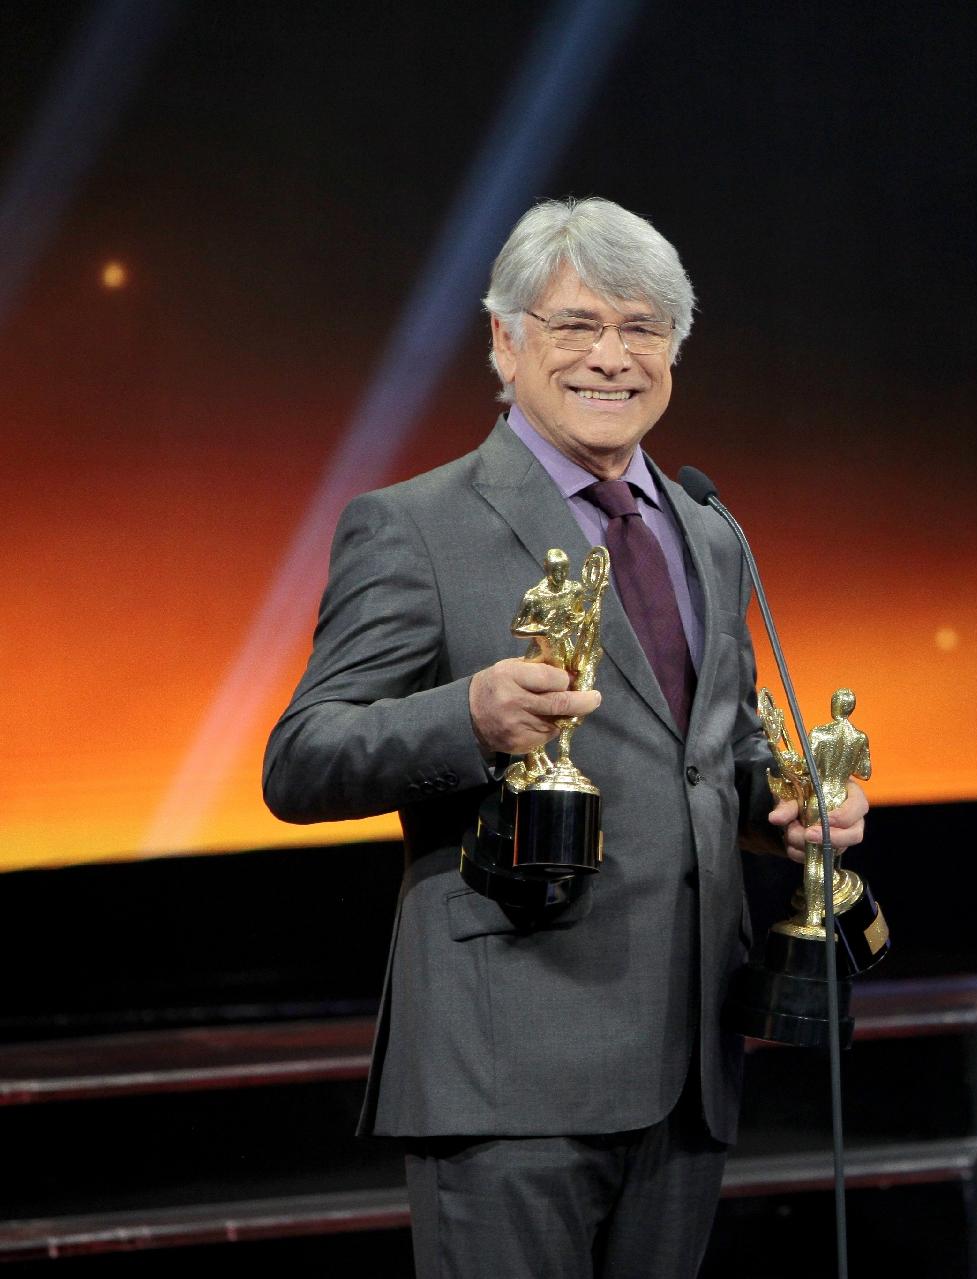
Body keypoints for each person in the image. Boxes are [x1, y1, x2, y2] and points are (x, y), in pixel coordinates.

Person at [263, 196, 866, 1279]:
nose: (610, 357)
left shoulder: (709, 531)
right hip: (510, 1069)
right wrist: (470, 716)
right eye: (574, 324)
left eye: (642, 328)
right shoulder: (415, 525)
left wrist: (789, 810)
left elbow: (704, 762)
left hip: (689, 1061)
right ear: (505, 339)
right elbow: (302, 758)